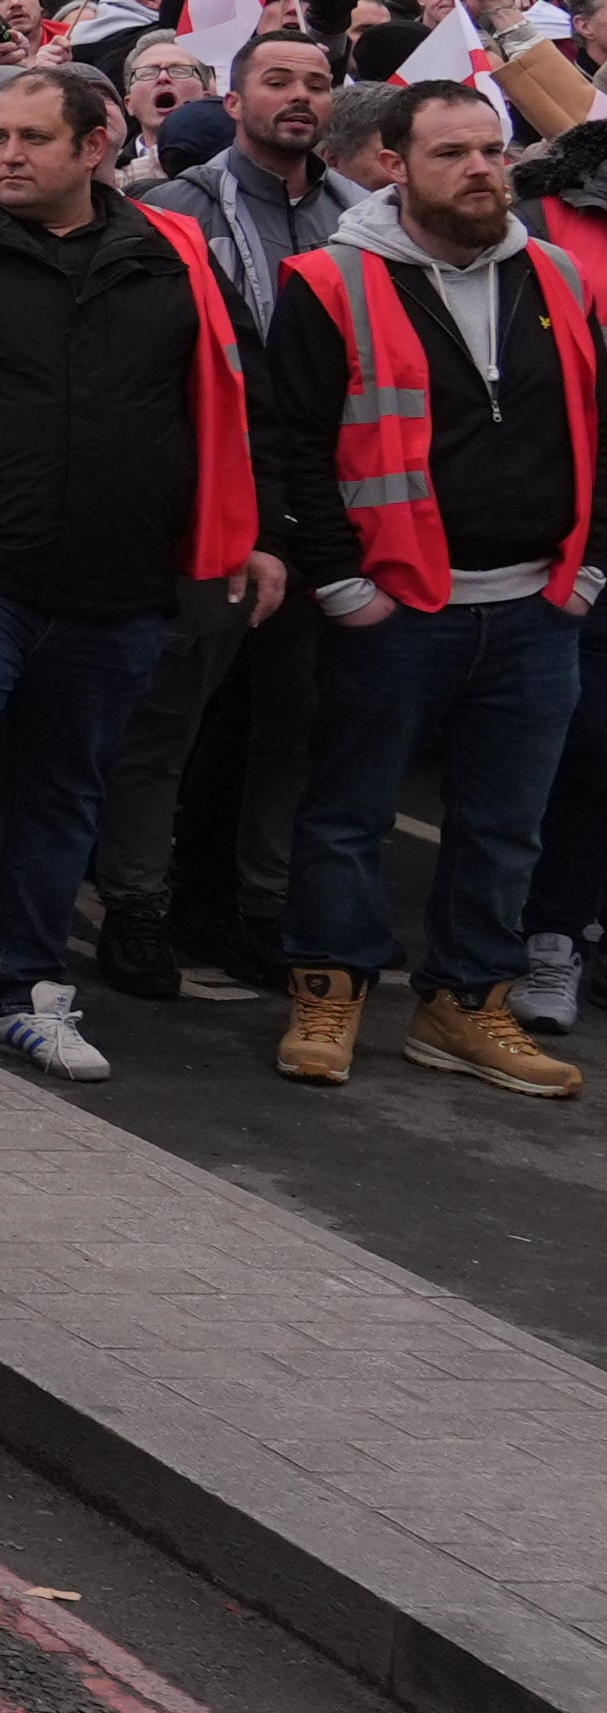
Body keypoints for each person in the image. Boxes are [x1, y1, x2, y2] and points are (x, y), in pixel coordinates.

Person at [0, 59, 278, 1086]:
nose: (7, 155)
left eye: (34, 138)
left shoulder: (172, 251)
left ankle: (27, 991)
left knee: (65, 794)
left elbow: (230, 396)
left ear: (95, 147)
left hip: (118, 584)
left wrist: (248, 530)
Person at [249, 77, 599, 1100]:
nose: (482, 168)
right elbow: (296, 446)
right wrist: (345, 583)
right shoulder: (329, 283)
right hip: (398, 607)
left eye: (492, 148)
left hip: (536, 607)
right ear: (394, 164)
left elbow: (599, 426)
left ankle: (465, 1001)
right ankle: (331, 987)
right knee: (350, 810)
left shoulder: (560, 279)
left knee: (505, 822)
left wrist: (590, 571)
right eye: (452, 152)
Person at [96, 23, 349, 1005]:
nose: (299, 96)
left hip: (311, 506)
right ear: (235, 100)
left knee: (284, 724)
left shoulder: (357, 214)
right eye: (277, 79)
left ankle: (252, 907)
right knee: (175, 725)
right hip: (202, 507)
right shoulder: (176, 215)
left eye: (317, 80)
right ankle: (142, 905)